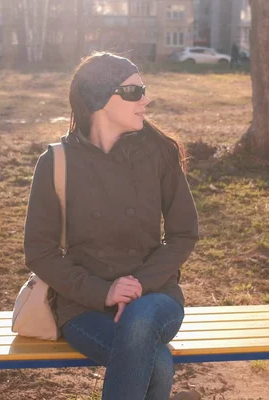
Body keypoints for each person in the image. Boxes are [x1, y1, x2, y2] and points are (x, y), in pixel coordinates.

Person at [23, 52, 200, 400]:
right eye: (134, 91)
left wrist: (137, 285)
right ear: (100, 98)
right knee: (159, 365)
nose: (146, 99)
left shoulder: (159, 153)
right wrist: (103, 292)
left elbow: (183, 233)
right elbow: (39, 251)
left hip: (156, 296)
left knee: (142, 318)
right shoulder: (56, 162)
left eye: (144, 90)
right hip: (83, 305)